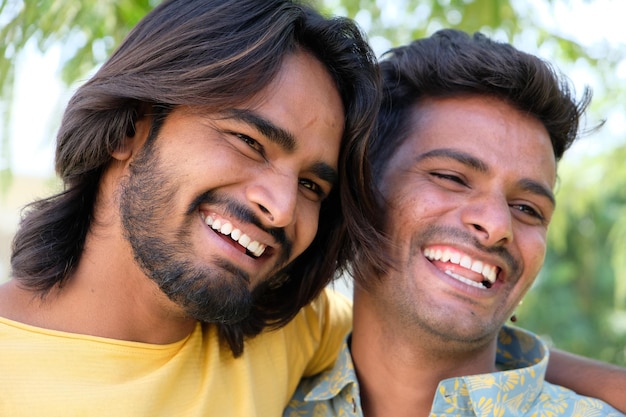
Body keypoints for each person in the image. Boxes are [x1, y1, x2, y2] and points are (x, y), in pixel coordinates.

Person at [0, 0, 381, 416]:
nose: (283, 209)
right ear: (129, 127)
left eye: (311, 185)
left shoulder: (295, 329)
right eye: (249, 141)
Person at [284, 29, 624, 416]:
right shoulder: (264, 396)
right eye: (451, 178)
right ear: (360, 191)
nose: (497, 225)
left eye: (528, 208)